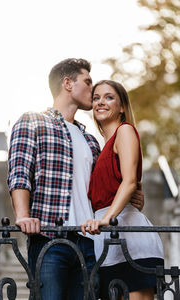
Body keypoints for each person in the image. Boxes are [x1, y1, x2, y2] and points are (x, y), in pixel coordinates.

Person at [7, 59, 144, 300]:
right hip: (49, 239)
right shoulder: (33, 121)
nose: (93, 91)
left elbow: (102, 185)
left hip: (89, 242)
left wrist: (133, 195)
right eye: (88, 82)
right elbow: (19, 173)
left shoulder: (90, 140)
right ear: (68, 83)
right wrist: (22, 215)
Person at [81, 80, 164, 300]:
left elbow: (128, 182)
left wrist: (106, 219)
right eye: (96, 97)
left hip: (128, 236)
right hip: (108, 240)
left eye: (109, 97)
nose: (100, 102)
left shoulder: (125, 131)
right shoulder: (101, 147)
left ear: (122, 107)